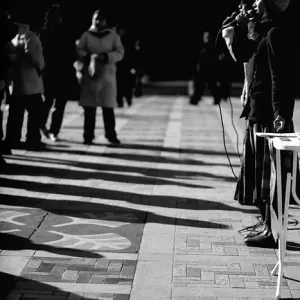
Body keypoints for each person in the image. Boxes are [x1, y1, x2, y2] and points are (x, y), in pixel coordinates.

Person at [223, 0, 297, 247]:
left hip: (268, 114)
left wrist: (280, 114)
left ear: (269, 5)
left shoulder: (276, 33)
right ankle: (267, 225)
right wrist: (241, 25)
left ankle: (272, 231)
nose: (253, 2)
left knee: (272, 178)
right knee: (258, 177)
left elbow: (280, 77)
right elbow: (243, 54)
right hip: (257, 110)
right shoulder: (264, 31)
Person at [74, 10, 124, 145]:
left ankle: (110, 134)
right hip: (90, 76)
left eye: (100, 19)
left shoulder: (113, 36)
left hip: (107, 76)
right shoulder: (86, 35)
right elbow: (79, 50)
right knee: (89, 109)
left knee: (108, 108)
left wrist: (106, 57)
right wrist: (89, 55)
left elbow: (120, 52)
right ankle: (88, 136)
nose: (97, 22)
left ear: (105, 21)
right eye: (95, 19)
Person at [4, 15, 46, 151]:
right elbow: (38, 60)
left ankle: (12, 139)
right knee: (35, 112)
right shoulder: (31, 37)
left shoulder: (11, 37)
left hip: (16, 81)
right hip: (31, 81)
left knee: (15, 113)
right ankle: (33, 140)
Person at [39, 4, 72, 142]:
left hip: (61, 72)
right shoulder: (44, 33)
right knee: (48, 101)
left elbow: (71, 53)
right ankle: (42, 126)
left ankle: (53, 130)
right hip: (50, 72)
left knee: (59, 103)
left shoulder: (64, 33)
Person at [190, 31, 221, 106]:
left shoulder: (213, 47)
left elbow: (217, 58)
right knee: (199, 86)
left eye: (208, 37)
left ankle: (217, 99)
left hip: (210, 70)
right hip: (202, 70)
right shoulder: (201, 47)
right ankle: (195, 99)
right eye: (206, 37)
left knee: (212, 85)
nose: (207, 39)